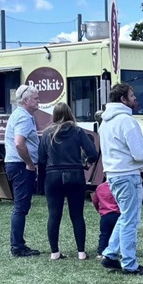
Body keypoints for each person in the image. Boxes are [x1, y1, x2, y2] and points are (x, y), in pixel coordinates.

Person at [99, 82, 143, 275]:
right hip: (127, 175)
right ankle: (129, 264)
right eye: (132, 96)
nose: (135, 99)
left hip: (113, 175)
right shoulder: (127, 121)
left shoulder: (105, 121)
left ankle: (111, 254)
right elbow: (139, 154)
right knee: (130, 219)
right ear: (123, 99)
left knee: (125, 216)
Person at [40, 103, 99, 260]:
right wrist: (86, 162)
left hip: (53, 176)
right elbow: (93, 152)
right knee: (77, 215)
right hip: (75, 174)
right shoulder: (78, 131)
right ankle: (81, 252)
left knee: (54, 215)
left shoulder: (47, 134)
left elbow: (40, 159)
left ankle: (54, 252)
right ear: (70, 114)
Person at [5, 84, 41, 258]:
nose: (38, 101)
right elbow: (19, 143)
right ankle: (17, 246)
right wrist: (30, 164)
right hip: (20, 165)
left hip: (15, 164)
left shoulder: (20, 115)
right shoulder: (24, 117)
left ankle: (18, 244)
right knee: (21, 207)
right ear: (26, 101)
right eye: (36, 98)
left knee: (21, 206)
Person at [91, 181, 120, 260]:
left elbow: (95, 200)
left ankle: (101, 252)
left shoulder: (100, 187)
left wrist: (99, 209)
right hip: (117, 214)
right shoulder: (117, 186)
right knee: (119, 234)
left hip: (105, 216)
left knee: (104, 234)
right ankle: (121, 251)